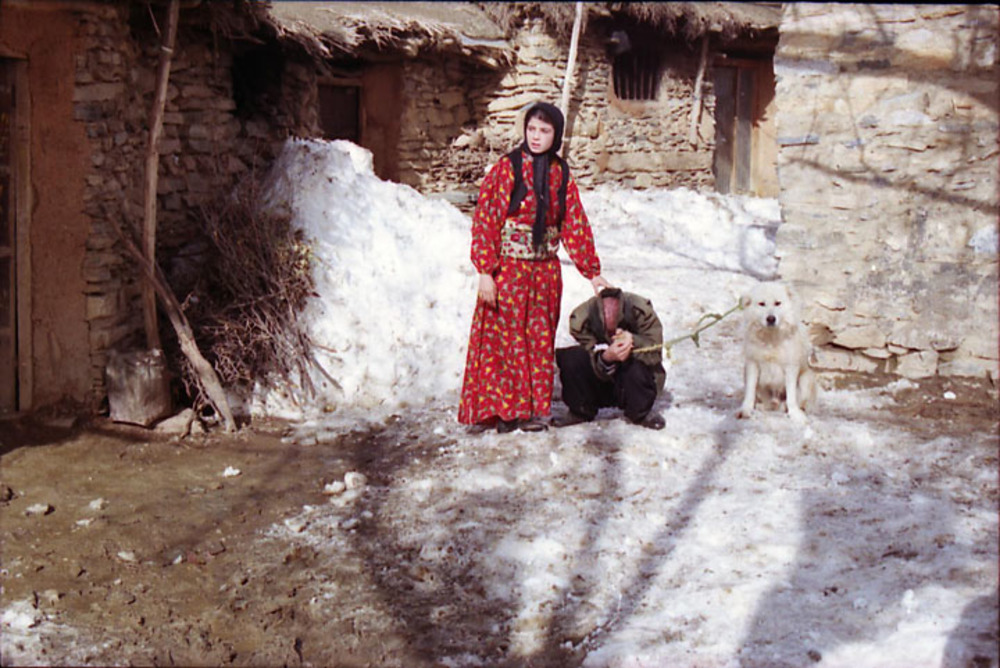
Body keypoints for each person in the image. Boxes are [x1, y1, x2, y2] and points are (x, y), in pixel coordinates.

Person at [459, 101, 611, 434]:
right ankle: (507, 411)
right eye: (532, 129)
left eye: (544, 131)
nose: (537, 136)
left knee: (539, 340)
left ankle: (534, 411)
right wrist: (486, 271)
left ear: (555, 134)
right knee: (509, 340)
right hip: (510, 270)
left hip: (545, 273)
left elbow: (574, 223)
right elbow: (486, 221)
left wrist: (592, 271)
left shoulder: (561, 172)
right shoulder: (506, 169)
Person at [553, 287, 667, 430]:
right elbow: (588, 351)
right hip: (600, 381)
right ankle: (580, 411)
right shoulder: (581, 319)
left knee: (638, 366)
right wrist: (605, 357)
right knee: (571, 357)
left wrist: (633, 341)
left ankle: (641, 413)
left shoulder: (642, 311)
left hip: (629, 383)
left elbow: (655, 351)